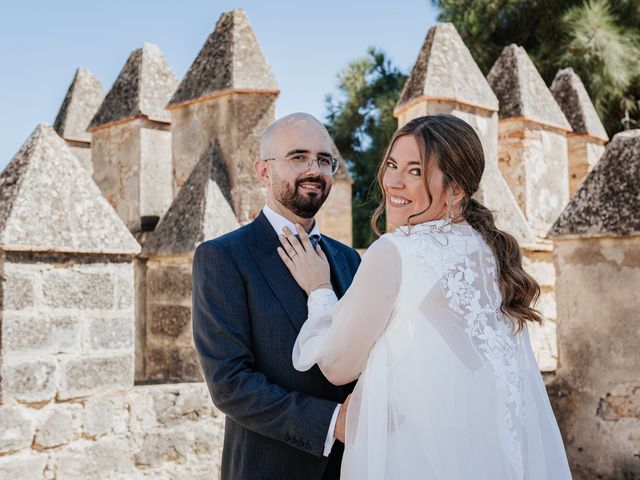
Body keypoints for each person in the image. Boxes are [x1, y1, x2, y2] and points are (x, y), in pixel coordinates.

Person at [278, 114, 572, 479]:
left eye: (416, 171)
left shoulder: (397, 252)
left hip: (417, 458)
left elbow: (338, 366)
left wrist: (319, 289)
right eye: (392, 165)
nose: (394, 182)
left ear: (456, 188)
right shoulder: (489, 250)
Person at [192, 113, 361, 480]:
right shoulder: (223, 257)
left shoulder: (349, 259)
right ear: (264, 172)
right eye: (298, 157)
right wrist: (332, 422)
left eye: (323, 159)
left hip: (354, 466)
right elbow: (230, 382)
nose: (314, 169)